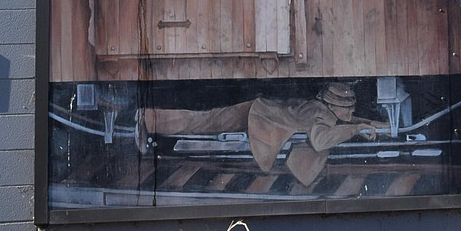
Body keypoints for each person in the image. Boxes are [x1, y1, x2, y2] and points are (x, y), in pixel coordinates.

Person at [137, 82, 379, 185]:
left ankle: (150, 117)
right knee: (203, 122)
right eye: (347, 108)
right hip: (258, 116)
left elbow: (345, 121)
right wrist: (356, 129)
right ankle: (148, 118)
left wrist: (369, 124)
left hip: (259, 111)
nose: (351, 111)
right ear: (334, 107)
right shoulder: (321, 116)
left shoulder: (322, 109)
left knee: (205, 120)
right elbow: (320, 140)